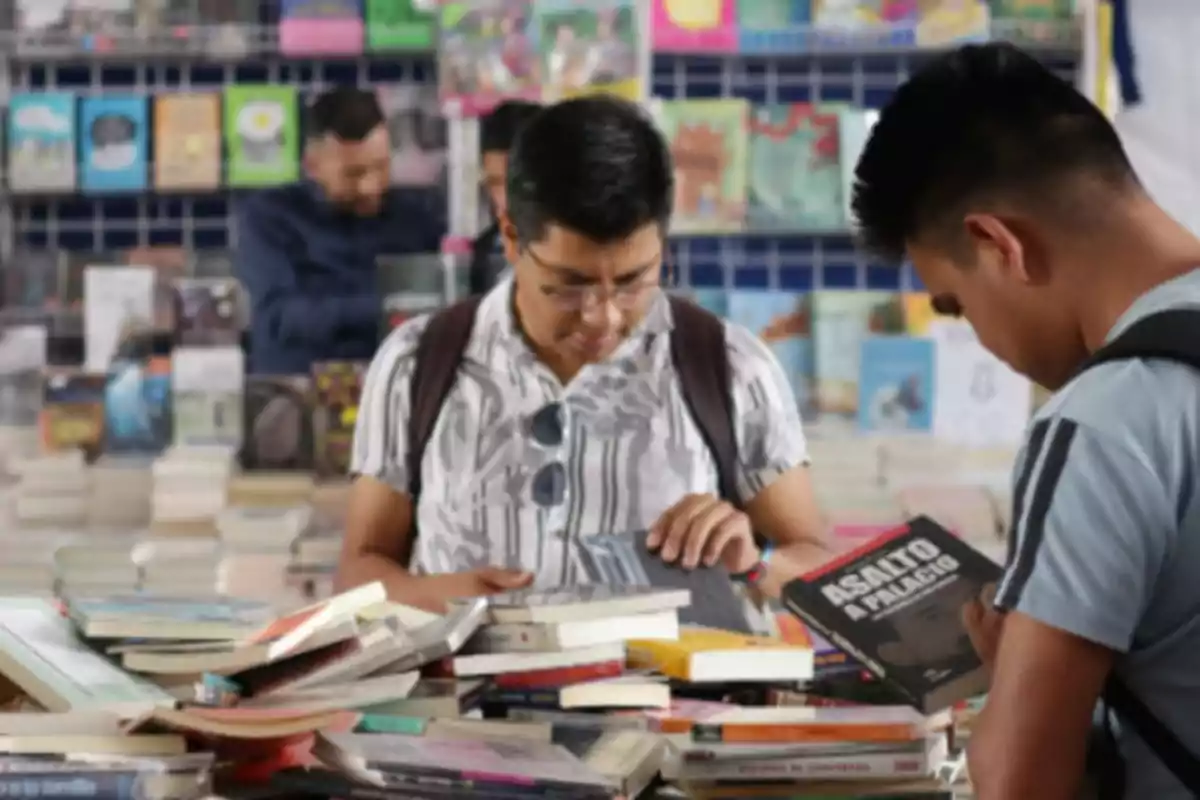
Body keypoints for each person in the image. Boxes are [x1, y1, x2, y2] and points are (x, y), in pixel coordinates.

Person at [853, 42, 1200, 800]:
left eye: (956, 304)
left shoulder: (1104, 422)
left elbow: (1018, 783)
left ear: (999, 244)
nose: (975, 334)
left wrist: (1017, 686)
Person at [337, 95, 829, 613]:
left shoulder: (731, 367)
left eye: (633, 281)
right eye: (568, 286)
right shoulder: (416, 364)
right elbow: (360, 571)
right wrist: (441, 598)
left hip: (668, 693)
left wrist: (755, 562)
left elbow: (820, 568)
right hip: (469, 692)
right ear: (510, 236)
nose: (604, 316)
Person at [235, 87, 442, 374]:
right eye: (353, 173)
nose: (370, 186)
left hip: (394, 388)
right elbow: (280, 317)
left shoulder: (417, 217)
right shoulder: (270, 217)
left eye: (381, 167)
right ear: (313, 165)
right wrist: (387, 308)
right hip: (300, 392)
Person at [468, 100, 542, 295]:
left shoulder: (581, 248)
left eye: (514, 182)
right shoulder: (483, 252)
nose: (503, 199)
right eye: (494, 183)